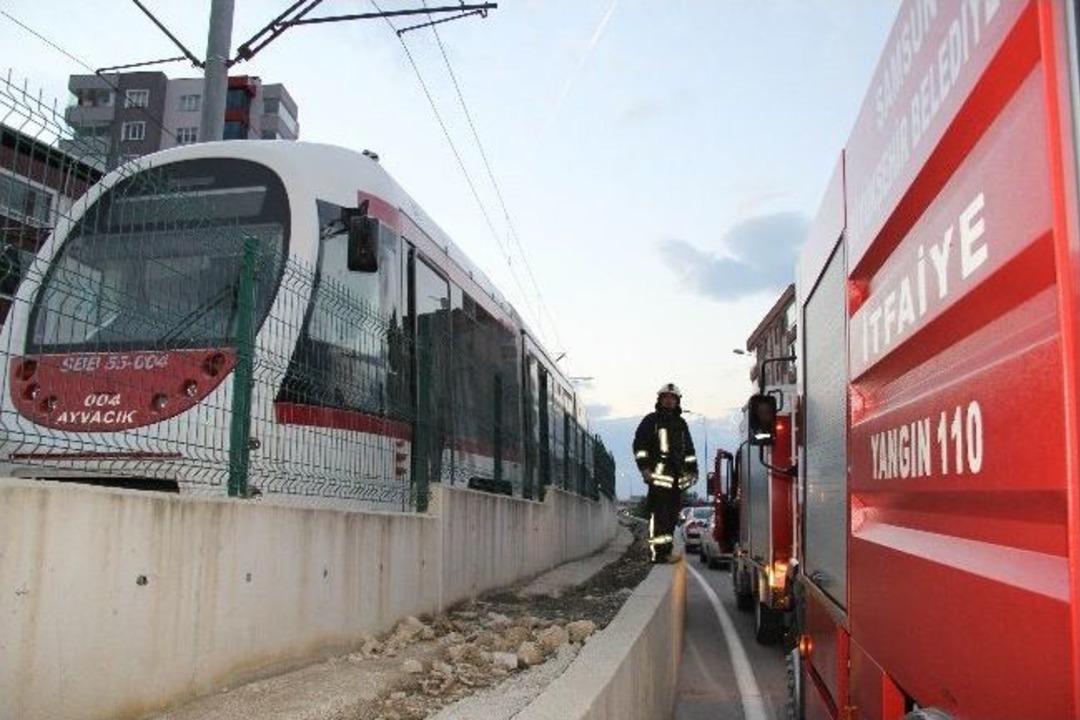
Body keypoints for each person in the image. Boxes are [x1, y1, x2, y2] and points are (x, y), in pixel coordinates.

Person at [632, 383, 698, 563]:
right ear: (660, 400)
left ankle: (666, 552)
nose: (669, 401)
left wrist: (693, 471)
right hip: (658, 479)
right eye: (666, 397)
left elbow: (689, 451)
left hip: (677, 479)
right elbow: (640, 447)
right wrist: (644, 468)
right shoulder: (651, 421)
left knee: (671, 517)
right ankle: (658, 555)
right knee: (660, 516)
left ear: (677, 401)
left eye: (673, 398)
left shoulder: (681, 424)